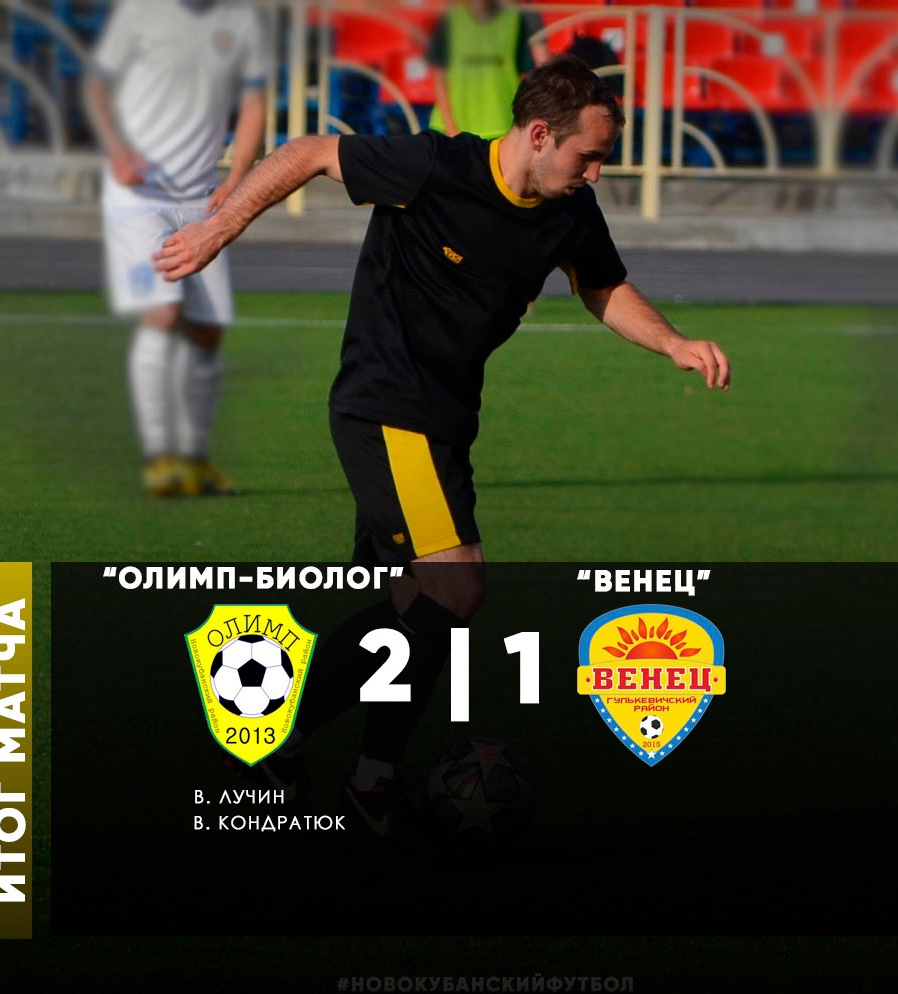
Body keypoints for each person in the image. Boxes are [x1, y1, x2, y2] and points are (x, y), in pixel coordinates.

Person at [155, 55, 730, 843]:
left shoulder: (569, 210)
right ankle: (347, 769)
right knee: (456, 589)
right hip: (388, 408)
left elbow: (601, 285)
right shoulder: (434, 166)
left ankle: (299, 754)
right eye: (588, 156)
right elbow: (312, 152)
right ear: (539, 134)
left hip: (447, 423)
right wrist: (217, 230)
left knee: (412, 609)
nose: (596, 174)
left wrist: (672, 342)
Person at [85, 0, 269, 497]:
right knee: (163, 313)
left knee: (207, 332)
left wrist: (238, 175)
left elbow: (253, 101)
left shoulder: (241, 19)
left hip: (201, 199)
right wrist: (118, 152)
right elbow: (98, 87)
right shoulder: (140, 11)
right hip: (138, 198)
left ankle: (193, 457)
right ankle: (159, 459)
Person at [428, 0, 550, 140]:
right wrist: (450, 127)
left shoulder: (516, 20)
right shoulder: (452, 17)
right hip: (452, 129)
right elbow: (439, 75)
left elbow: (527, 73)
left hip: (502, 125)